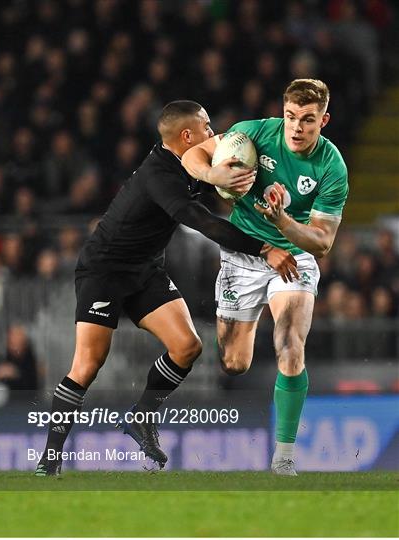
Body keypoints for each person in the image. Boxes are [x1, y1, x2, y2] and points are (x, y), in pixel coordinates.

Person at [35, 100, 298, 476]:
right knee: (87, 365)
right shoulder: (161, 174)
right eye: (206, 127)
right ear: (187, 135)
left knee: (187, 346)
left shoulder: (194, 160)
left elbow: (236, 149)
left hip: (145, 270)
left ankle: (141, 417)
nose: (213, 134)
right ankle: (50, 460)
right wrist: (264, 249)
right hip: (105, 270)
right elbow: (199, 220)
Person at [182, 80, 348, 475]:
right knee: (234, 363)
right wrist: (213, 176)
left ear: (323, 120)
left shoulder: (331, 165)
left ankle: (285, 457)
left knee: (290, 343)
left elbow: (322, 242)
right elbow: (193, 154)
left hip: (293, 258)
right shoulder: (254, 133)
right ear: (282, 112)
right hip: (242, 255)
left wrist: (283, 222)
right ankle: (246, 322)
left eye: (308, 120)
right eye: (291, 117)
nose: (297, 128)